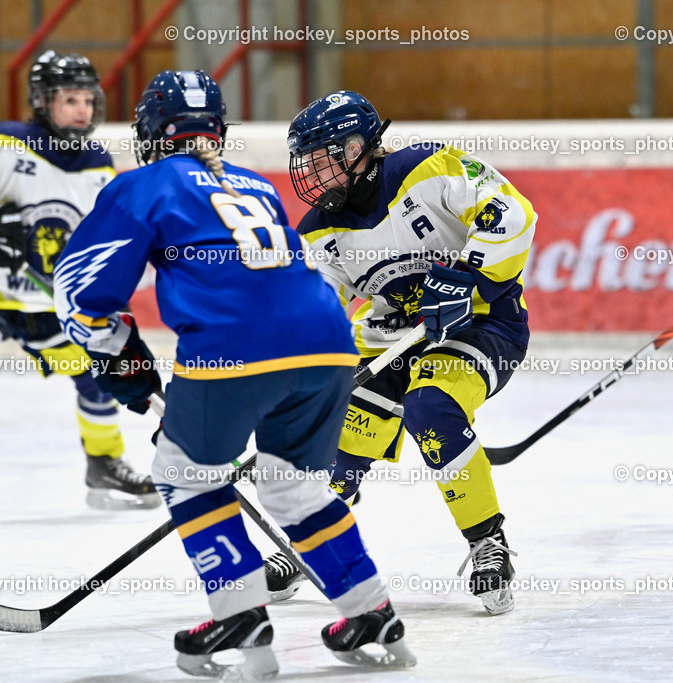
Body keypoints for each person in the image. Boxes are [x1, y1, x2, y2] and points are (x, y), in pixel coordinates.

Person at [53, 71, 415, 678]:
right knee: (293, 487)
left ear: (150, 133)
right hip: (328, 342)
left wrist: (132, 375)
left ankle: (239, 611)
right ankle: (370, 611)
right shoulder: (256, 185)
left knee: (185, 473)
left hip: (234, 349)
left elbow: (82, 296)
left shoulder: (141, 186)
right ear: (215, 132)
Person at [274, 91, 535, 616]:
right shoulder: (319, 232)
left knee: (431, 408)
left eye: (325, 160)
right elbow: (315, 312)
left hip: (483, 323)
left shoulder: (429, 167)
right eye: (310, 165)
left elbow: (513, 214)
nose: (316, 177)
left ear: (358, 148)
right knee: (340, 430)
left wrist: (466, 279)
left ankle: (488, 542)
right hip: (391, 334)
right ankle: (311, 539)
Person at [0, 50, 157, 510]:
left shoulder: (98, 164)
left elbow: (95, 237)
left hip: (47, 302)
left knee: (97, 376)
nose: (82, 109)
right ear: (43, 101)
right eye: (70, 99)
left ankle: (104, 463)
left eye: (88, 99)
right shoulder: (2, 142)